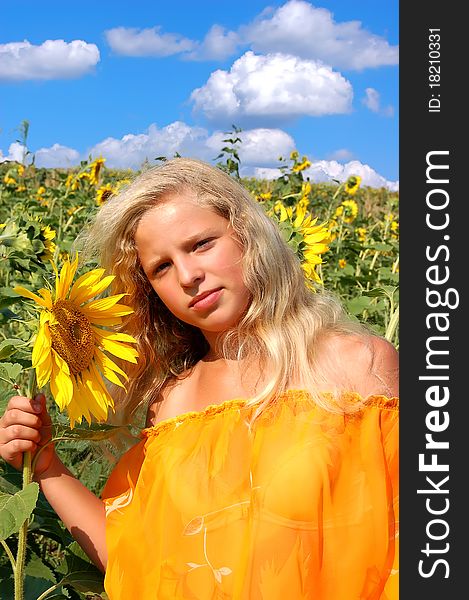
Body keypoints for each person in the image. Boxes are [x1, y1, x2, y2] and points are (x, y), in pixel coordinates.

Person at [0, 158, 399, 599]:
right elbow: (141, 559)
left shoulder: (360, 368)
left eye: (201, 244)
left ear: (247, 235)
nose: (188, 276)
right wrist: (47, 466)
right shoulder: (173, 403)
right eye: (162, 268)